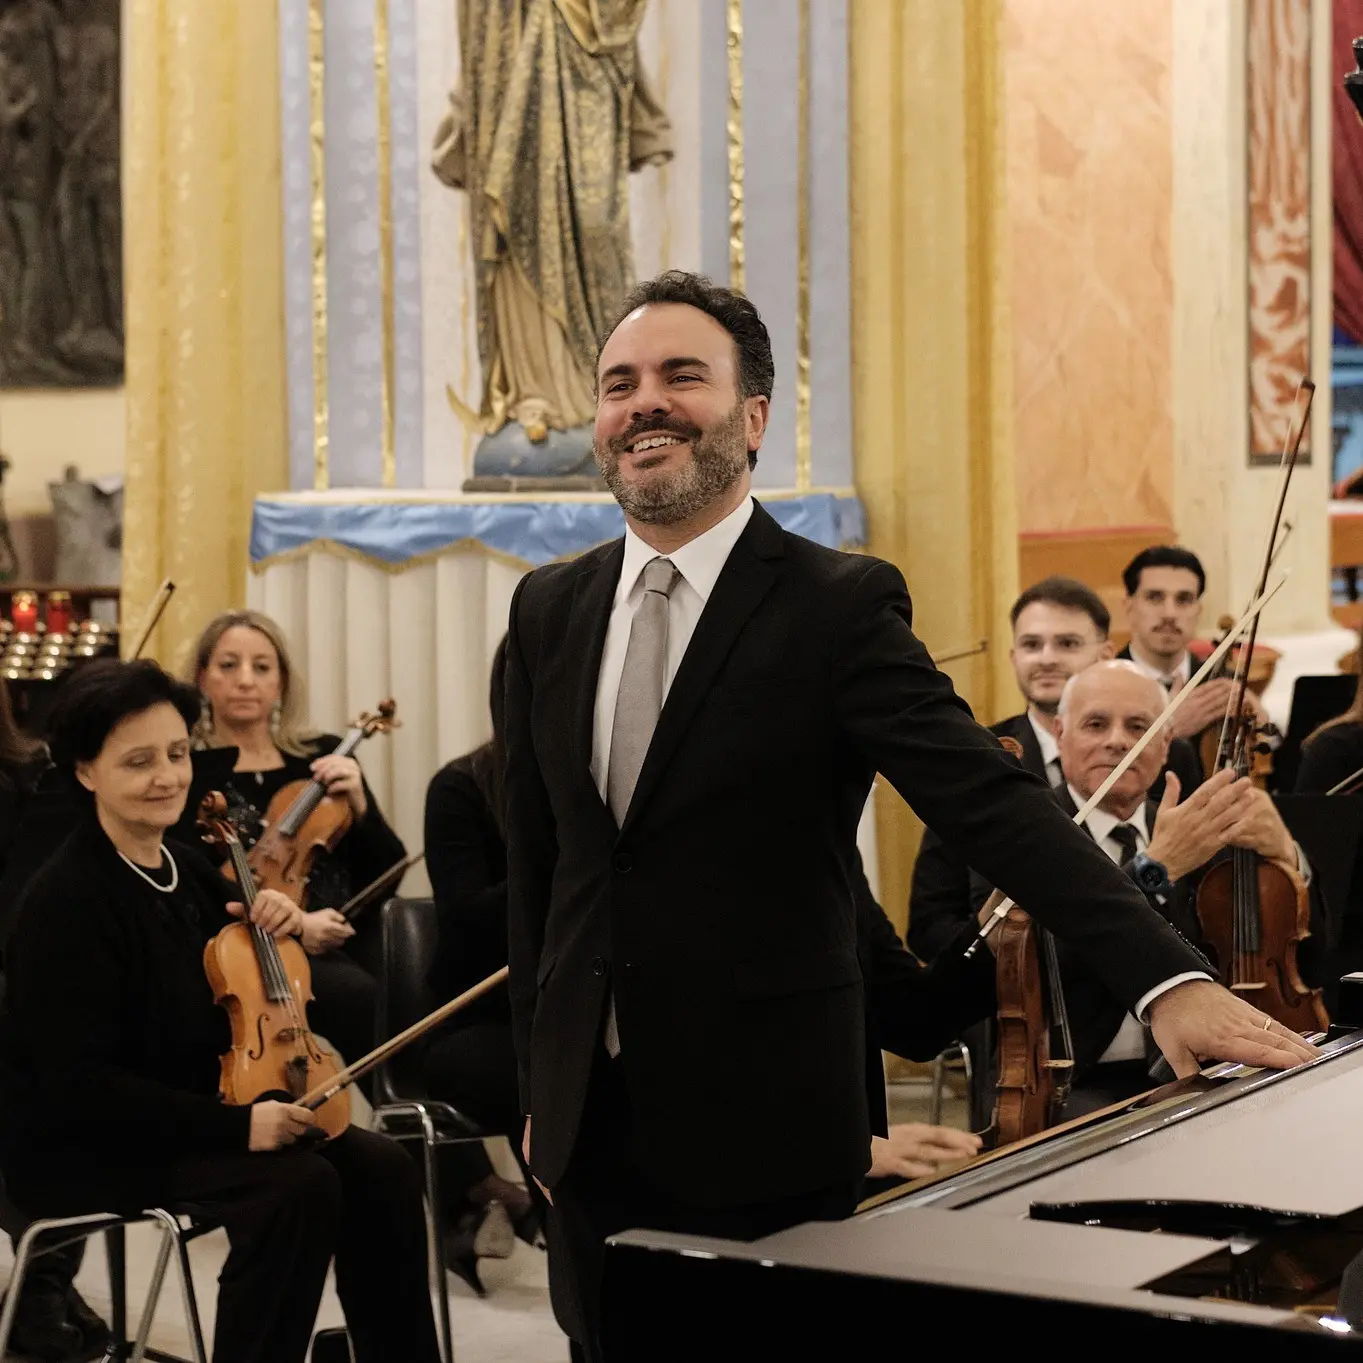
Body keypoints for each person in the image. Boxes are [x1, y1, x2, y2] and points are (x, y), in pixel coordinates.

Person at [503, 269, 1317, 1359]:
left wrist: (1164, 977)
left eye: (680, 376)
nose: (643, 402)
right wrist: (537, 1084)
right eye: (619, 383)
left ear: (752, 417)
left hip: (768, 1122)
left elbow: (994, 805)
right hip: (588, 1122)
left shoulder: (834, 605)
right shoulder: (546, 608)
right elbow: (542, 872)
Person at [0, 659, 440, 1363]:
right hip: (88, 1142)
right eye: (139, 761)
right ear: (87, 772)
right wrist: (238, 1124)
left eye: (176, 754)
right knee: (297, 1187)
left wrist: (276, 917)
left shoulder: (193, 867)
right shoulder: (66, 901)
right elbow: (76, 1087)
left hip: (196, 1113)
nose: (168, 776)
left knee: (381, 1166)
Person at [969, 661, 1322, 1115]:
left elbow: (1306, 955)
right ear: (1060, 734)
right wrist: (1154, 869)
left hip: (1198, 1069)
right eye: (1096, 724)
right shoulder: (1021, 833)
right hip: (1068, 1076)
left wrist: (1289, 856)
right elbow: (1016, 966)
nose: (1117, 741)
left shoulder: (1199, 827)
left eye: (1139, 726)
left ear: (1164, 743)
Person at [908, 575, 1202, 965]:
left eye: (1067, 643)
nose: (1046, 658)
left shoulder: (1166, 755)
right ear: (1014, 657)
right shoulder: (973, 758)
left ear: (1105, 655)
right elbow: (931, 926)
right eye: (1032, 644)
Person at [177, 610, 406, 1082]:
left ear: (281, 682)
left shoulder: (318, 756)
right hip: (255, 941)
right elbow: (197, 881)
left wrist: (361, 805)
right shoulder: (192, 769)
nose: (245, 680)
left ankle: (424, 1128)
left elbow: (388, 869)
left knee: (415, 990)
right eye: (228, 666)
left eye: (262, 667)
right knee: (361, 1000)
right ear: (202, 677)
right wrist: (299, 925)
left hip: (345, 932)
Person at [422, 636, 543, 1292]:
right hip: (476, 1017)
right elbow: (465, 922)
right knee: (572, 1082)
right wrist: (557, 860)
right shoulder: (461, 786)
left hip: (564, 1009)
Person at [1117, 545, 1268, 754]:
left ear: (1198, 610)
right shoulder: (1103, 684)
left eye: (1184, 600)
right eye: (1154, 597)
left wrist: (1263, 727)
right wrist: (1168, 729)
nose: (1169, 613)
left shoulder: (1218, 685)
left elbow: (1278, 771)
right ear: (1128, 605)